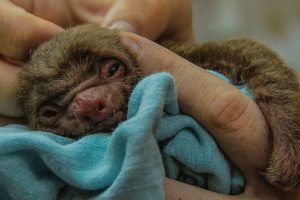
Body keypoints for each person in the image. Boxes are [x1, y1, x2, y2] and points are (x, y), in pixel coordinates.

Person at [0, 0, 298, 199]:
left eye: (111, 71)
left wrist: (288, 120)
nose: (89, 104)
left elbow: (241, 54)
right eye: (51, 112)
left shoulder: (156, 52)